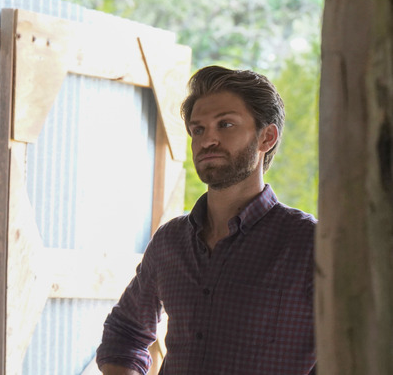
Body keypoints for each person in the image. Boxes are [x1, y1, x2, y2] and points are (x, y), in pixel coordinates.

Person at [97, 66, 316, 375]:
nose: (207, 140)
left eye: (225, 124)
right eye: (198, 129)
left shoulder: (310, 244)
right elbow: (125, 331)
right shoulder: (170, 241)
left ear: (266, 137)